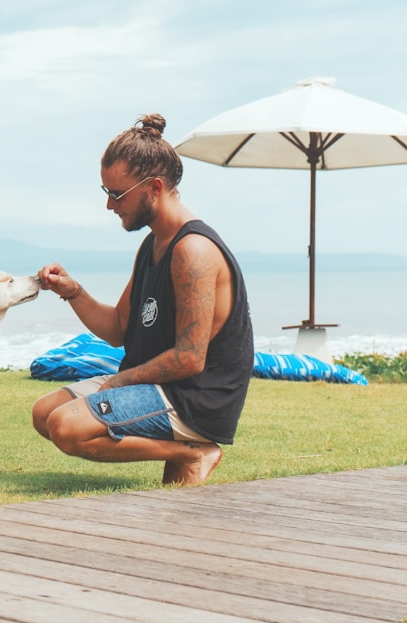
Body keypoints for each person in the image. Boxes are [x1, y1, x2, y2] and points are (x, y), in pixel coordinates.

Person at [32, 113, 254, 486]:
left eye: (117, 194)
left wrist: (120, 383)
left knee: (66, 426)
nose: (110, 206)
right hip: (155, 387)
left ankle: (194, 451)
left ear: (153, 188)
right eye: (106, 193)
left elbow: (189, 357)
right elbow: (119, 329)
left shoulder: (193, 251)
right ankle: (184, 454)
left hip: (194, 399)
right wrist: (73, 292)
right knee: (45, 413)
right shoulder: (152, 244)